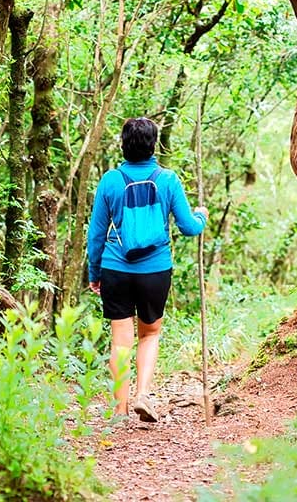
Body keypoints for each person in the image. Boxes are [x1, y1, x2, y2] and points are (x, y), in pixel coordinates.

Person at [87, 117, 208, 422]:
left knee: (120, 339)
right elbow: (189, 227)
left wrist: (94, 273)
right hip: (155, 270)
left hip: (116, 267)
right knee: (150, 333)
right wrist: (201, 215)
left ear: (123, 145)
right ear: (154, 145)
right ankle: (143, 395)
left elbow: (96, 234)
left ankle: (119, 407)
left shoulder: (110, 180)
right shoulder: (167, 179)